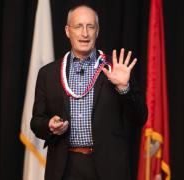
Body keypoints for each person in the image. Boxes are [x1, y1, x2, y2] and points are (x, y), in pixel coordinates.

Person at [31, 4, 147, 180]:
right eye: (78, 26)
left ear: (97, 31)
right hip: (64, 168)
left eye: (90, 26)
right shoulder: (48, 74)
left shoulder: (115, 68)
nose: (84, 33)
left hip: (108, 169)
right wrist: (49, 125)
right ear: (67, 31)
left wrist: (124, 88)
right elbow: (36, 122)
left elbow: (140, 117)